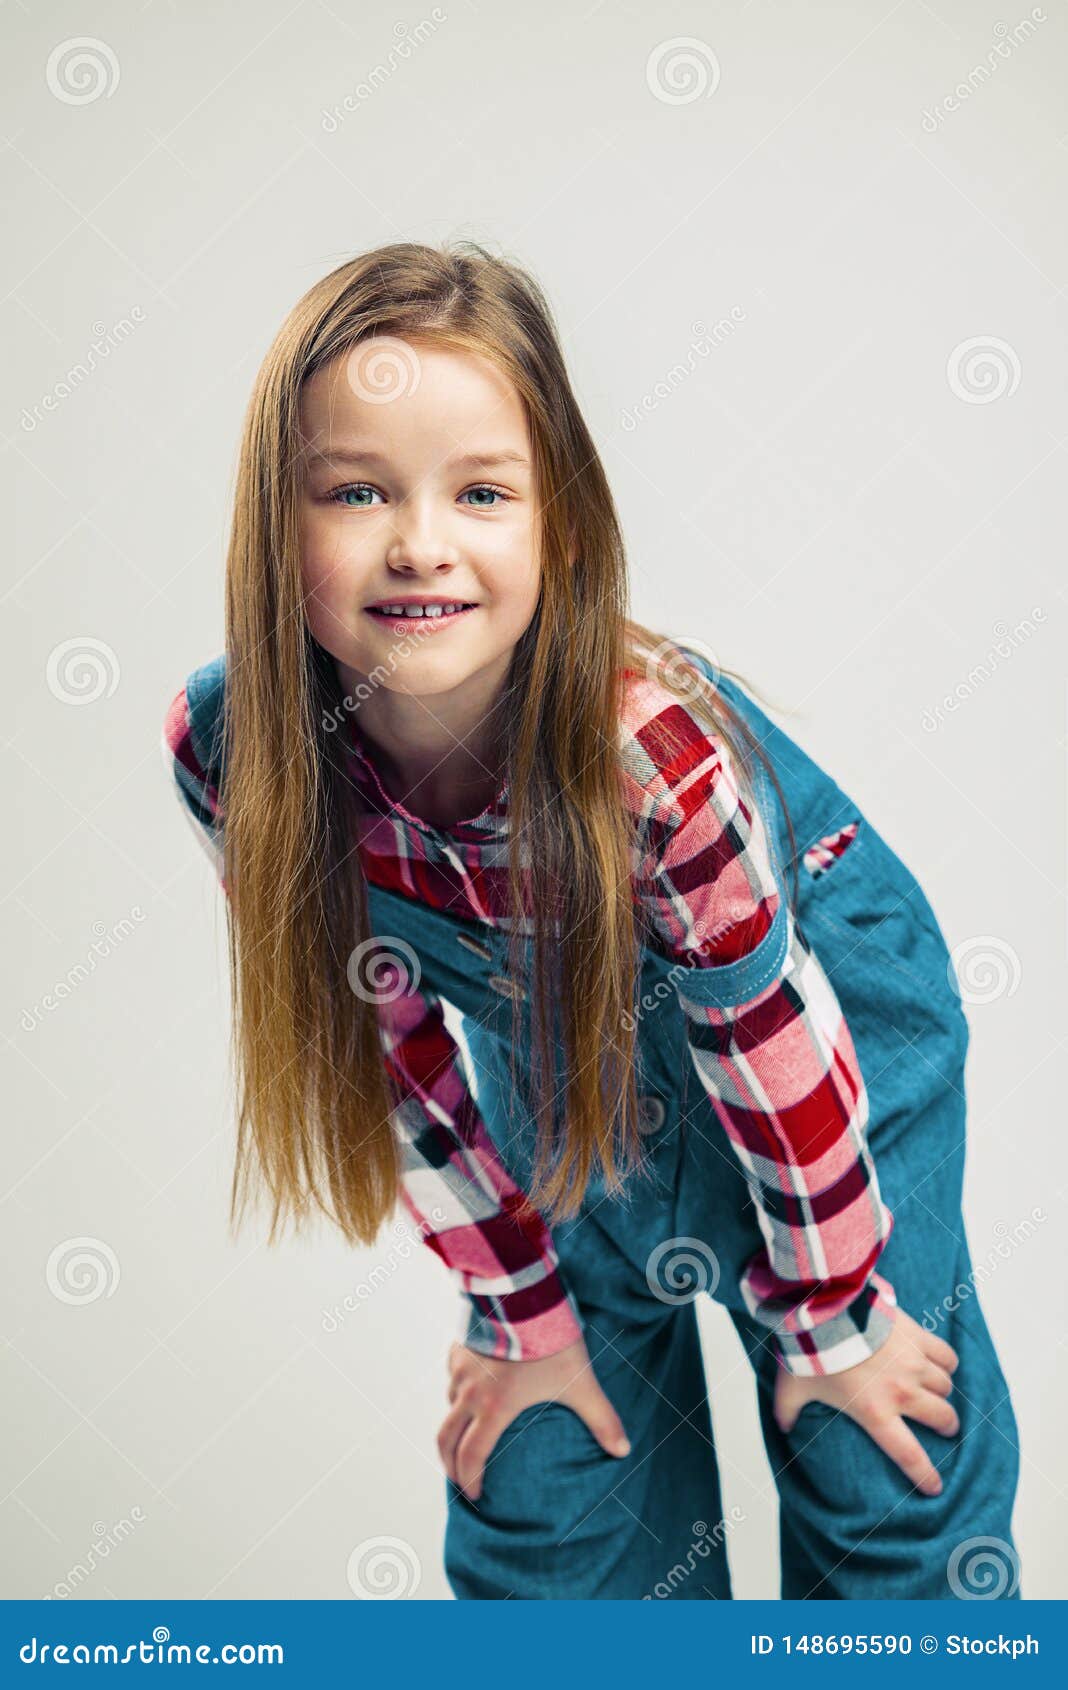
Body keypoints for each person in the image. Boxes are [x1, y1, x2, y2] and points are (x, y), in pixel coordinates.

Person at [162, 240, 1021, 1600]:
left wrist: (833, 1315)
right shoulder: (240, 745)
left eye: (482, 491)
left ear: (557, 522)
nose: (419, 542)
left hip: (810, 1035)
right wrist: (523, 1310)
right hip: (557, 1047)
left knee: (880, 1452)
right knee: (543, 1480)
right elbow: (380, 1044)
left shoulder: (647, 755)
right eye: (357, 490)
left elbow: (767, 1032)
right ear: (279, 522)